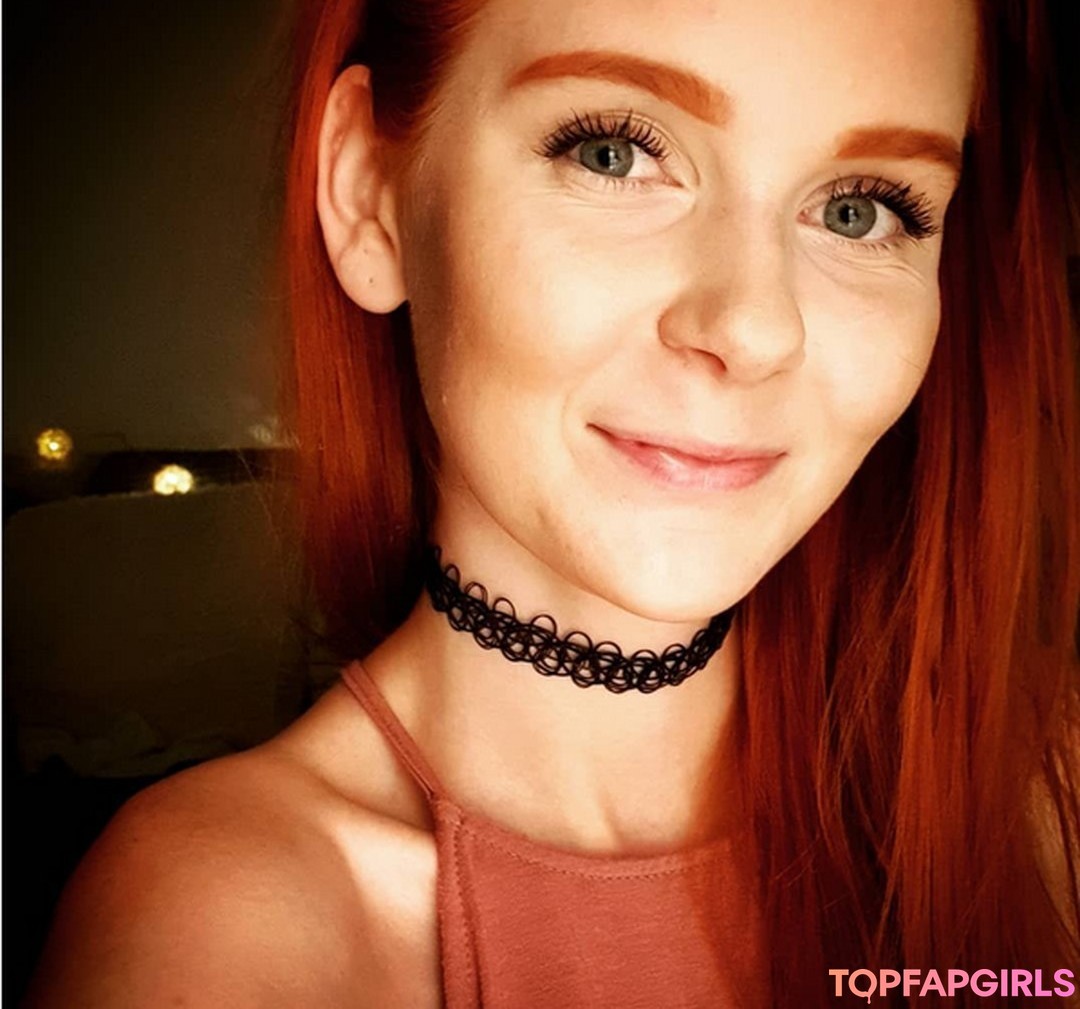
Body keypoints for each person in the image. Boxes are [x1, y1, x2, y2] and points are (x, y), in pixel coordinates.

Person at [27, 0, 1079, 1005]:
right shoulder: (226, 930)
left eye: (862, 210)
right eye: (613, 152)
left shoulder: (1041, 798)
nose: (756, 328)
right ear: (371, 194)